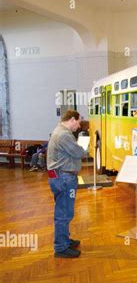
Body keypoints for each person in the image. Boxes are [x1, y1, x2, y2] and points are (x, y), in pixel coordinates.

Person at [47, 110, 87, 258]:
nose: (78, 126)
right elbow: (79, 153)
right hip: (64, 178)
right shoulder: (63, 135)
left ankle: (64, 240)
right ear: (71, 119)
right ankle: (61, 247)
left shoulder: (59, 131)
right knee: (64, 213)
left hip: (61, 177)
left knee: (64, 211)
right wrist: (84, 149)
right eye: (78, 122)